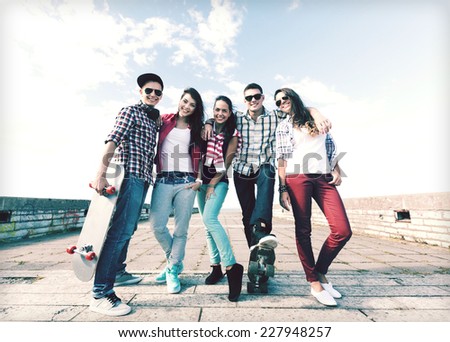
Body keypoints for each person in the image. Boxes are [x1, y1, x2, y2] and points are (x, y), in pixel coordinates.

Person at [204, 83, 332, 250]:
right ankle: (255, 252)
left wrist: (317, 113)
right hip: (241, 169)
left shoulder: (275, 116)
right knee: (247, 214)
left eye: (257, 96)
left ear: (262, 98)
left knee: (266, 177)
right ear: (245, 101)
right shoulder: (238, 118)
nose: (253, 100)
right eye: (249, 98)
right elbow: (220, 117)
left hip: (264, 166)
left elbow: (299, 109)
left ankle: (262, 230)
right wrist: (208, 122)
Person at [89, 73, 164, 316]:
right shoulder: (130, 111)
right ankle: (101, 293)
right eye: (148, 91)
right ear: (140, 92)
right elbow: (112, 140)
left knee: (129, 229)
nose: (153, 95)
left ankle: (118, 272)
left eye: (157, 92)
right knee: (119, 231)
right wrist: (100, 174)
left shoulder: (154, 119)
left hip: (143, 179)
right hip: (128, 177)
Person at [275, 87, 352, 307]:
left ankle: (319, 271)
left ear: (294, 98)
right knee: (303, 229)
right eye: (278, 102)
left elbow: (330, 146)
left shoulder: (316, 118)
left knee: (342, 230)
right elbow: (282, 159)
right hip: (296, 177)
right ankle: (314, 281)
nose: (282, 103)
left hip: (323, 177)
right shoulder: (283, 126)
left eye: (285, 98)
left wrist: (337, 169)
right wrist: (282, 189)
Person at [149, 87, 204, 294]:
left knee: (181, 230)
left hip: (187, 182)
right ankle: (175, 260)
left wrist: (199, 179)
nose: (187, 107)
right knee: (157, 226)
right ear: (180, 100)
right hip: (163, 179)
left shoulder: (198, 128)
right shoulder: (164, 120)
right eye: (185, 101)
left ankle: (172, 269)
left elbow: (202, 155)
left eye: (192, 104)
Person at [197, 95, 244, 302]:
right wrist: (200, 180)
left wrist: (213, 184)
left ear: (230, 113)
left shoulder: (232, 133)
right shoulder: (206, 128)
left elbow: (227, 162)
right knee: (207, 226)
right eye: (217, 110)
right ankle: (215, 267)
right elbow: (197, 155)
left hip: (220, 181)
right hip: (201, 182)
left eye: (224, 110)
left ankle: (232, 266)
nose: (220, 114)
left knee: (210, 219)